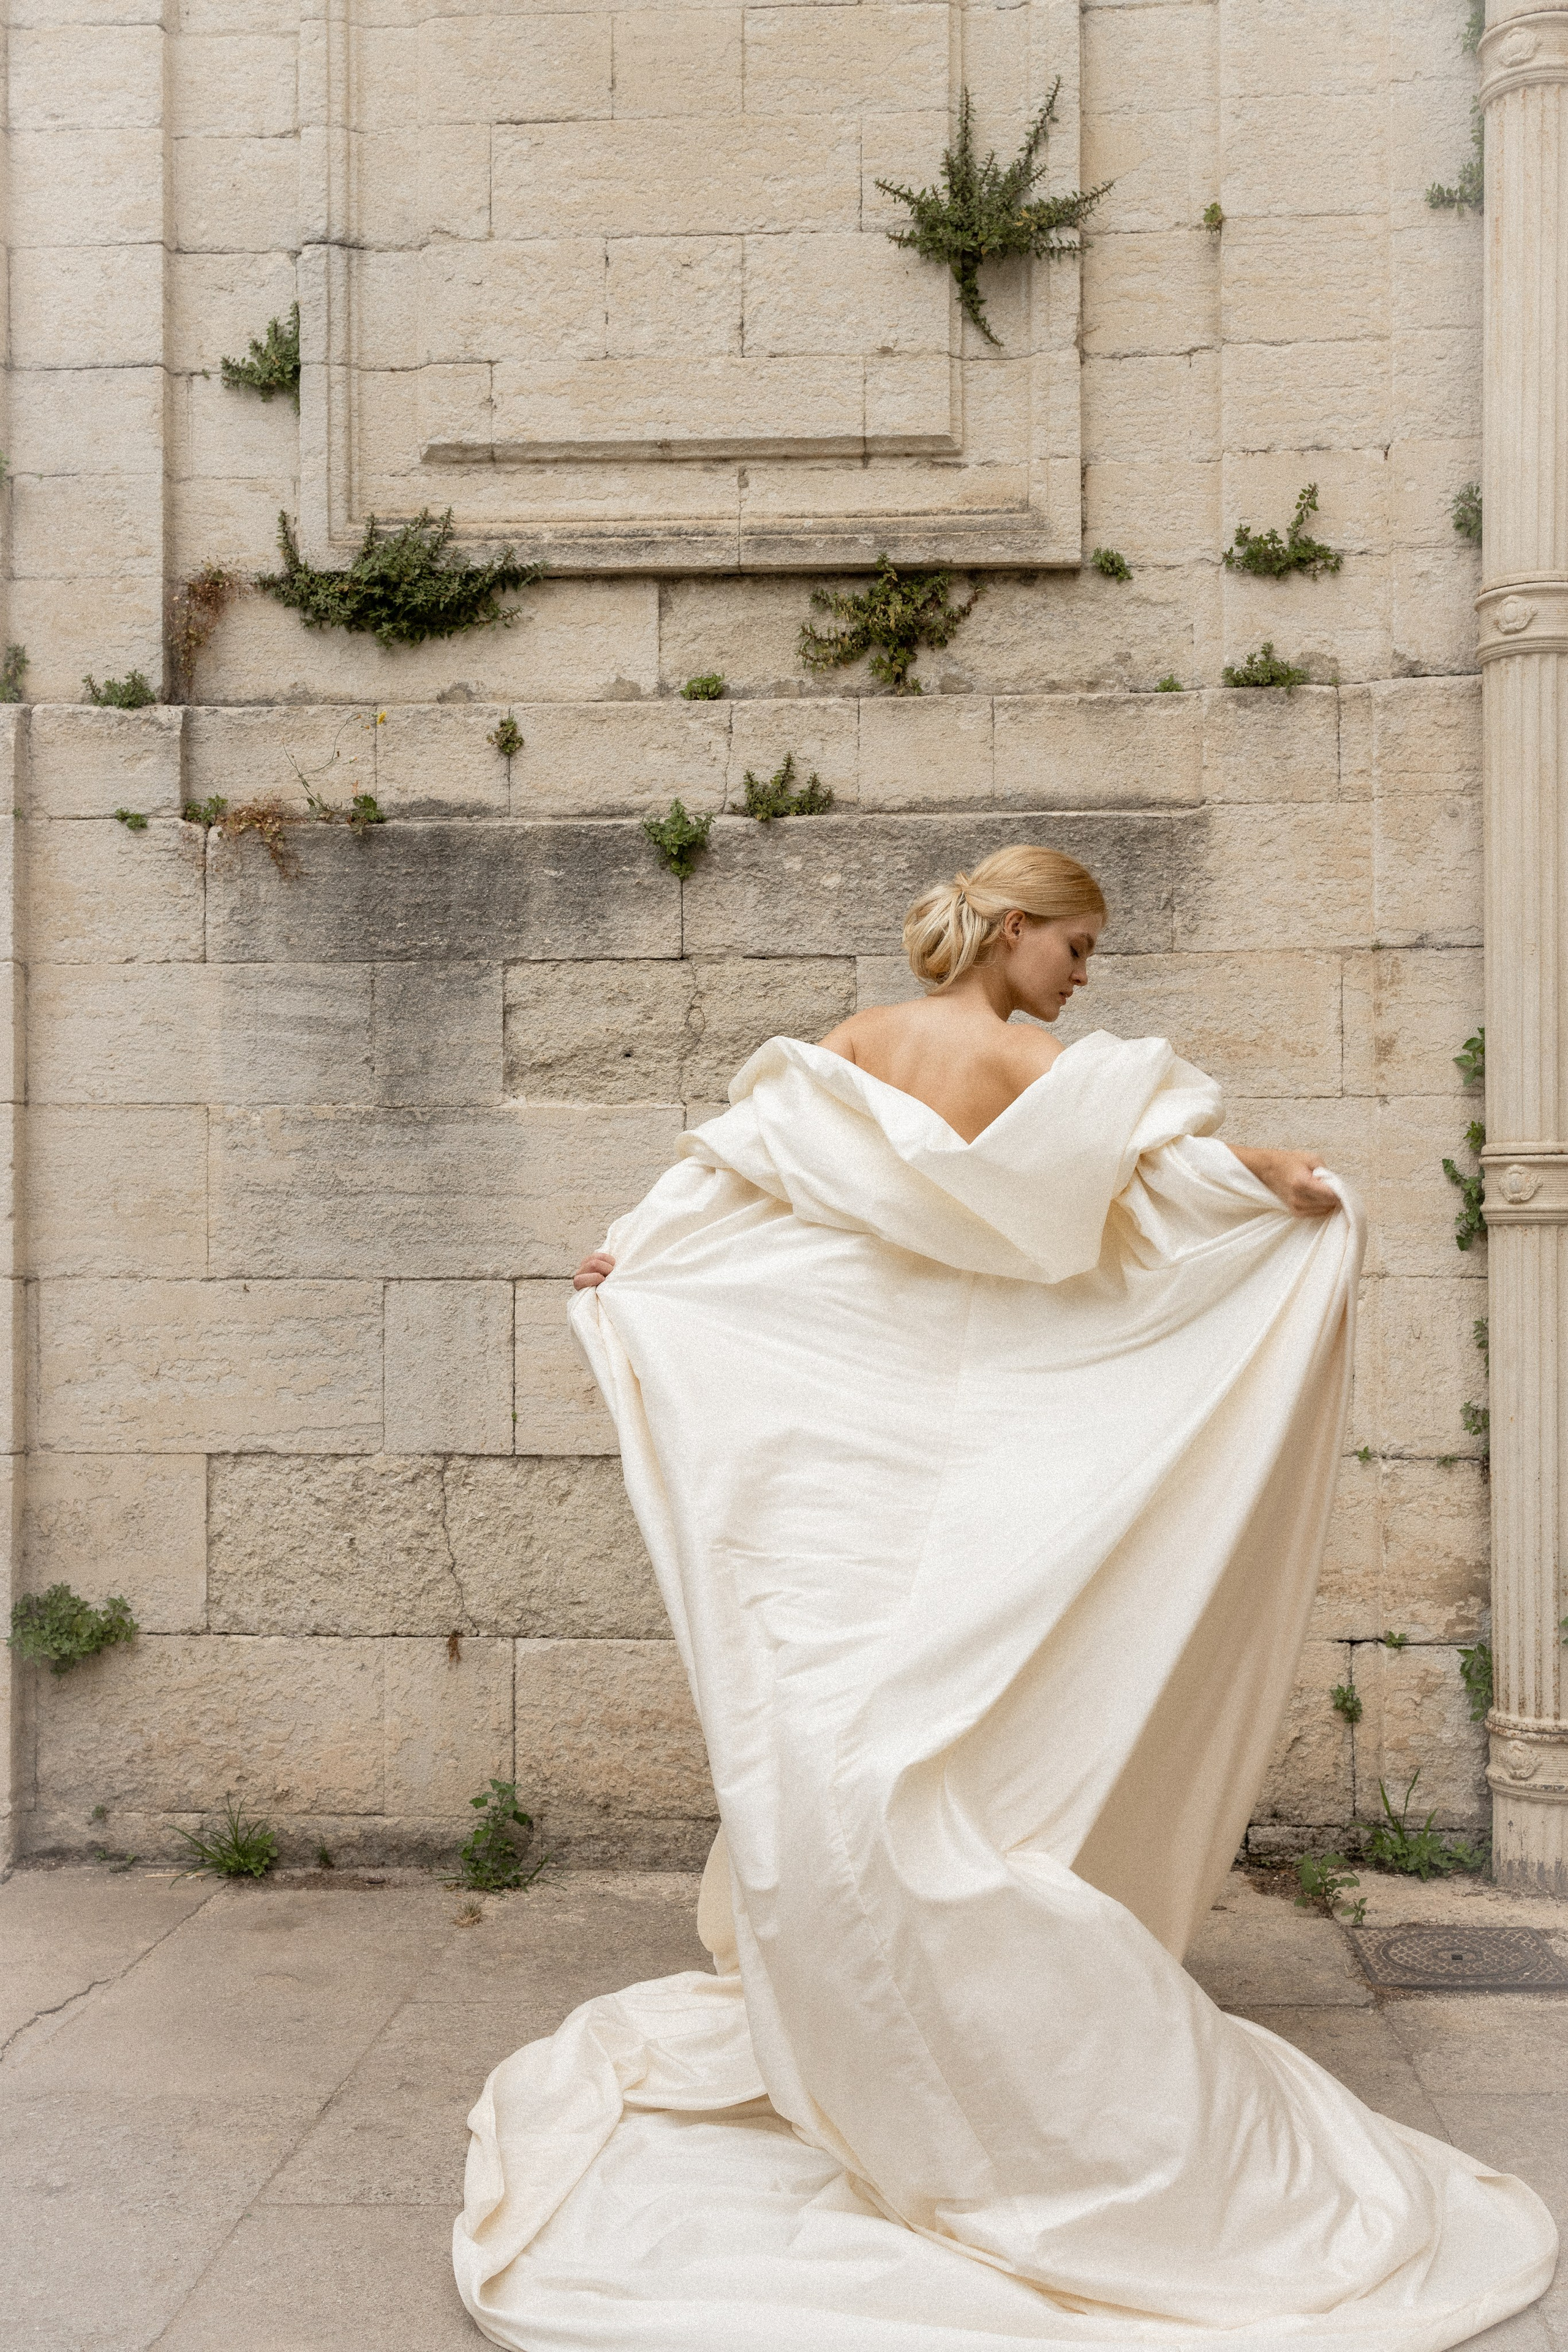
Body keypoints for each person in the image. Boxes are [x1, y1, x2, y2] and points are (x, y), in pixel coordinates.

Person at [454, 846, 1556, 2350]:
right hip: (925, 1423)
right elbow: (1165, 1182)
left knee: (862, 1729)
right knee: (910, 1735)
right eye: (1078, 947)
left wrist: (636, 1257)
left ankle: (914, 2016)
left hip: (879, 1419)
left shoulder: (854, 1045)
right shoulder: (1056, 1071)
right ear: (1018, 930)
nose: (1085, 976)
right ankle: (947, 2031)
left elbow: (733, 1168)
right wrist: (1280, 1177)